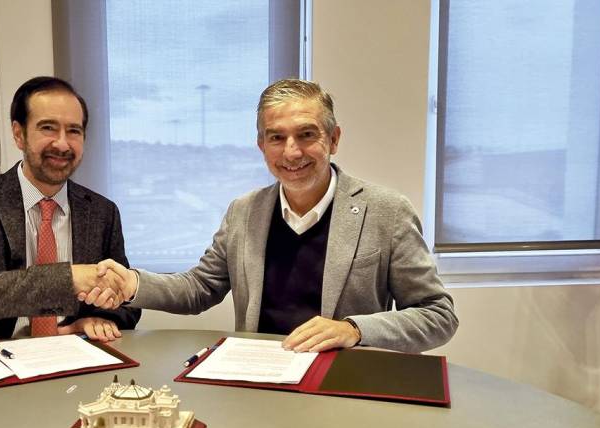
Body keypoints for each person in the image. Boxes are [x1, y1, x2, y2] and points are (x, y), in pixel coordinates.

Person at [89, 79, 457, 353]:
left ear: (334, 138)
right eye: (276, 137)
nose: (291, 152)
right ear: (261, 145)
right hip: (260, 382)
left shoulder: (386, 211)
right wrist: (132, 284)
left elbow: (438, 315)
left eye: (306, 134)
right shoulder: (244, 212)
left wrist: (355, 329)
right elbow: (200, 288)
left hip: (345, 386)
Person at [0, 76, 139, 345]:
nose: (63, 144)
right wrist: (67, 280)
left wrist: (99, 318)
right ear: (19, 134)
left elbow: (127, 300)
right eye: (48, 128)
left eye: (74, 131)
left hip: (75, 354)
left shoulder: (103, 212)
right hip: (0, 358)